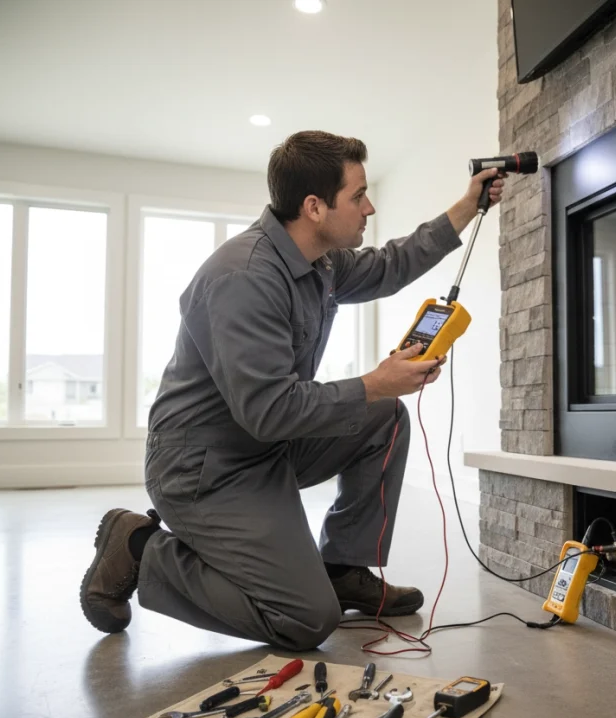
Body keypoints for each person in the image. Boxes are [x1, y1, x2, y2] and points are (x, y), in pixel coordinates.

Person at [79, 131, 504, 650]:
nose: (369, 207)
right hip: (205, 468)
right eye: (358, 196)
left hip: (264, 446)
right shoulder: (244, 278)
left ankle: (342, 567)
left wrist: (466, 207)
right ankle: (140, 548)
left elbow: (392, 264)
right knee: (304, 619)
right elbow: (269, 411)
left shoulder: (318, 261)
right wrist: (373, 381)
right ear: (314, 207)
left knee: (383, 417)